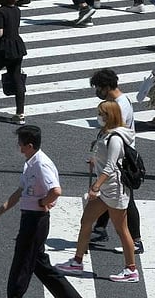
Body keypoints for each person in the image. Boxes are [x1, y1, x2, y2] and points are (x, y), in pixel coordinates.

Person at [0, 125, 86, 298]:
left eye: (20, 143)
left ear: (29, 145)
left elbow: (56, 190)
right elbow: (19, 192)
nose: (18, 146)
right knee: (39, 263)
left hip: (35, 220)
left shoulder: (41, 164)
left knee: (21, 266)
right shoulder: (30, 162)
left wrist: (42, 202)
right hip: (30, 219)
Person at [56, 101, 140, 284]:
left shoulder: (116, 138)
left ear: (110, 116)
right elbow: (105, 159)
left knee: (121, 229)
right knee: (86, 220)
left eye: (101, 114)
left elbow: (110, 167)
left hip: (114, 189)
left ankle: (131, 270)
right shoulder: (105, 133)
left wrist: (95, 186)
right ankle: (77, 261)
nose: (98, 116)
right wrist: (95, 161)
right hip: (106, 189)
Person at [88, 69, 143, 254]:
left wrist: (101, 154)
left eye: (98, 87)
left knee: (126, 199)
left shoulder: (119, 106)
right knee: (108, 195)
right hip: (118, 155)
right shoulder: (121, 100)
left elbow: (115, 133)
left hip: (122, 159)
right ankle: (100, 229)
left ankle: (136, 241)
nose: (97, 91)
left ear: (106, 87)